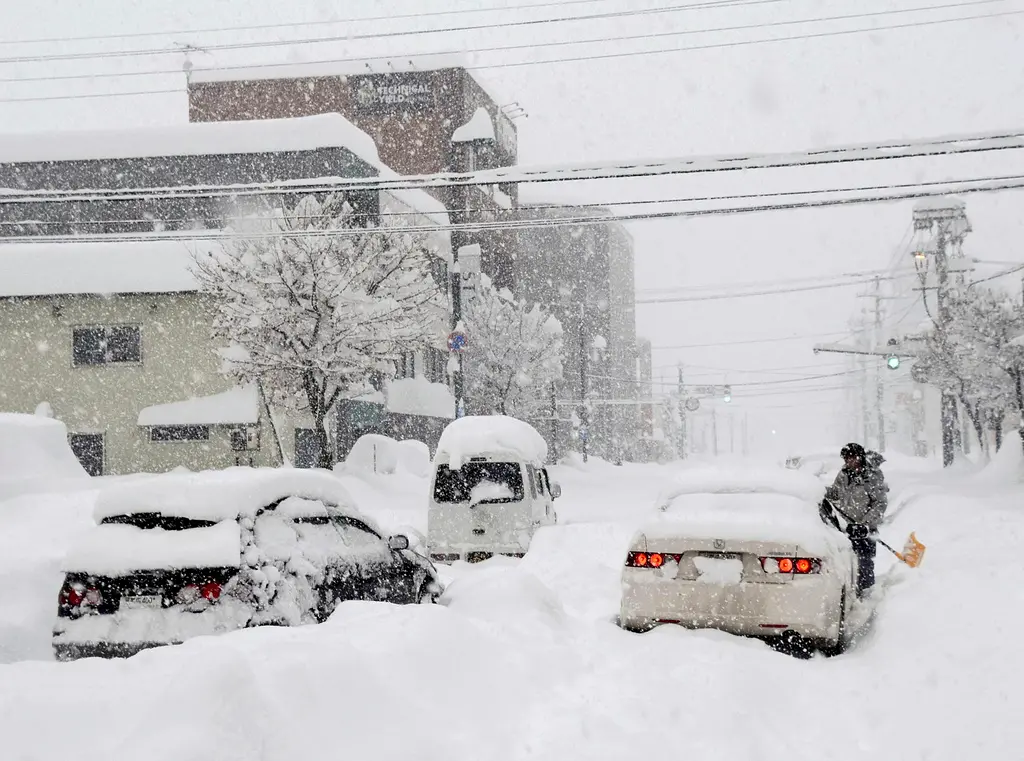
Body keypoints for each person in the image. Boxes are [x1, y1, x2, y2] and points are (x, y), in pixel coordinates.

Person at [820, 442, 889, 598]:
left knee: (864, 567)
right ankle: (851, 598)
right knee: (847, 567)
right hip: (847, 530)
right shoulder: (844, 474)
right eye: (846, 458)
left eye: (852, 458)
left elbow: (880, 504)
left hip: (865, 531)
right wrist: (820, 491)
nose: (848, 462)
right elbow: (835, 494)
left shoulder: (872, 476)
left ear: (860, 457)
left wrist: (865, 525)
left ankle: (865, 598)